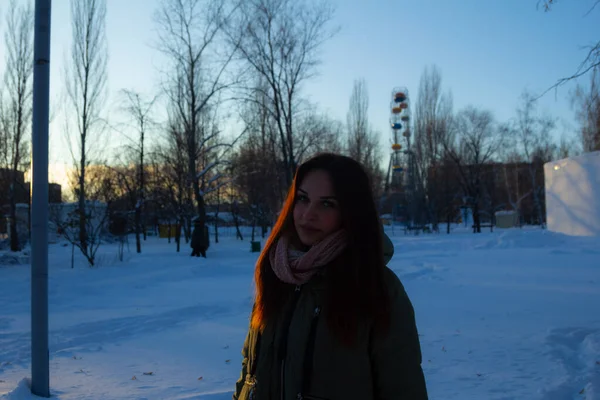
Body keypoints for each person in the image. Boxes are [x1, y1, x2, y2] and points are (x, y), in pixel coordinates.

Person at [233, 153, 428, 400]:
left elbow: (403, 389)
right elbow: (249, 372)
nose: (307, 215)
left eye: (327, 204)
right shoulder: (277, 274)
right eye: (303, 199)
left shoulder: (378, 289)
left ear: (351, 213)